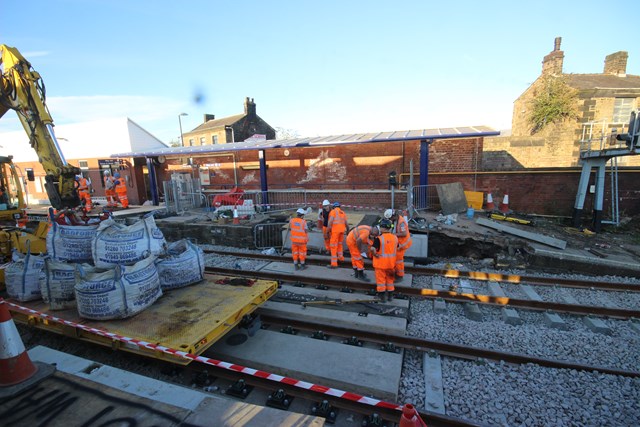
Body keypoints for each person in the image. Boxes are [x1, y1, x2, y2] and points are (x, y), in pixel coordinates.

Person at [371, 219, 398, 302]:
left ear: (382, 228)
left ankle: (382, 297)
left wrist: (375, 254)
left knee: (381, 281)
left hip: (381, 264)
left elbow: (372, 249)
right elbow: (397, 247)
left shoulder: (379, 239)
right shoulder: (395, 238)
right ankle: (390, 297)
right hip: (391, 264)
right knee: (390, 280)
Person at [384, 208, 412, 282]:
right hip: (399, 243)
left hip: (402, 244)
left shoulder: (401, 222)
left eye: (390, 218)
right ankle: (396, 273)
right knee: (395, 259)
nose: (390, 220)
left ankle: (400, 276)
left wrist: (393, 234)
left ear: (393, 216)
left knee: (398, 261)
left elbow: (404, 233)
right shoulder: (396, 220)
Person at [326, 201, 347, 269]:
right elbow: (346, 223)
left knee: (333, 247)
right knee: (340, 244)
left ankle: (334, 264)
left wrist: (327, 230)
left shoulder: (333, 211)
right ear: (339, 207)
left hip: (335, 232)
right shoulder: (343, 213)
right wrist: (348, 230)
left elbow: (330, 222)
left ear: (334, 207)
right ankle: (341, 258)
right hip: (342, 231)